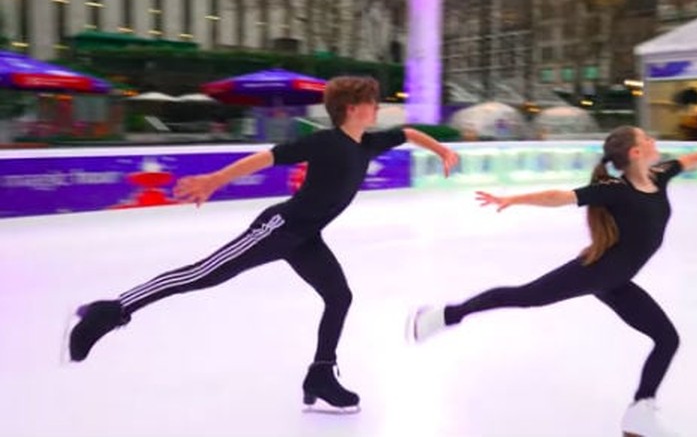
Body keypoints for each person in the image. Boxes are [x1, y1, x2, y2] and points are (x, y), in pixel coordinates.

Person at [67, 76, 459, 413]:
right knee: (202, 274)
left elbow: (408, 133)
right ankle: (109, 311)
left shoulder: (366, 144)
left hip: (306, 238)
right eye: (371, 103)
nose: (377, 108)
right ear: (353, 108)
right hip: (278, 227)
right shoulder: (325, 142)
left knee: (339, 297)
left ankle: (321, 374)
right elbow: (267, 158)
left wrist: (442, 149)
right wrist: (214, 180)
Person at [408, 126, 697, 436]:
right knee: (526, 296)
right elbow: (559, 197)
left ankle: (640, 412)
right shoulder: (616, 190)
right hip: (597, 272)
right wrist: (512, 199)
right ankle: (441, 317)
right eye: (646, 138)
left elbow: (692, 158)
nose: (653, 140)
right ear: (636, 152)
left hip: (617, 281)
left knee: (667, 338)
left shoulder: (660, 174)